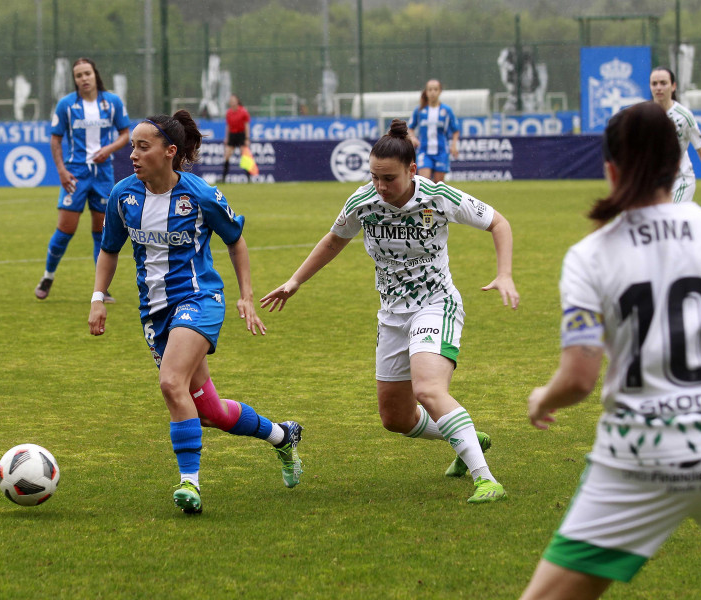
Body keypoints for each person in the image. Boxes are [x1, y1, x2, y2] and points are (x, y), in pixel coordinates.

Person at [520, 102, 701, 600]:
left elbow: (579, 379)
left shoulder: (590, 255)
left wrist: (542, 399)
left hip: (637, 455)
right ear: (678, 167)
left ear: (610, 170)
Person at [261, 119, 519, 504]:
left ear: (412, 170)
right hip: (392, 315)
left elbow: (499, 223)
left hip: (436, 304)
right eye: (374, 177)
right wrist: (295, 281)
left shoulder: (438, 196)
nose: (380, 186)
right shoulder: (362, 201)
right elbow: (334, 240)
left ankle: (487, 480)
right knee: (395, 418)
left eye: (389, 178)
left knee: (429, 389)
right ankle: (464, 437)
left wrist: (504, 274)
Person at [88, 110, 303, 515]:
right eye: (132, 146)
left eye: (142, 146)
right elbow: (109, 250)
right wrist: (98, 297)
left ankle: (190, 484)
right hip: (154, 314)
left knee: (171, 384)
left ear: (170, 152)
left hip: (199, 301)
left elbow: (235, 241)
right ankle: (283, 436)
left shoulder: (200, 194)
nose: (132, 154)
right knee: (210, 412)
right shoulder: (123, 196)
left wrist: (246, 295)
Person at [35, 57, 131, 302]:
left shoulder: (112, 102)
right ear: (75, 80)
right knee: (66, 229)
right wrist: (61, 171)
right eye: (78, 75)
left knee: (101, 231)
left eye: (87, 73)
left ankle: (101, 289)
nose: (84, 78)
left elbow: (125, 134)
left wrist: (108, 149)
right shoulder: (66, 105)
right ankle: (48, 275)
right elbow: (55, 140)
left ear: (94, 74)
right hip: (75, 174)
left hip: (103, 176)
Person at [649, 66, 701, 210]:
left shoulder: (684, 116)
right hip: (654, 183)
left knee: (669, 219)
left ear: (673, 86)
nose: (658, 88)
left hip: (680, 181)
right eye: (654, 84)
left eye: (663, 83)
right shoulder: (644, 115)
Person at [407, 79, 460, 183]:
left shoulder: (446, 110)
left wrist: (454, 145)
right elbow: (410, 127)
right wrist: (412, 137)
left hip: (441, 152)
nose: (432, 92)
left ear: (440, 91)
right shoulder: (420, 110)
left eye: (435, 89)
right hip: (424, 151)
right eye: (430, 89)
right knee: (424, 182)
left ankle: (437, 200)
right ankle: (425, 200)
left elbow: (456, 130)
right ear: (426, 92)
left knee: (438, 185)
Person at [221, 94, 251, 183]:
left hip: (241, 135)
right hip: (232, 135)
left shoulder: (243, 111)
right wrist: (226, 138)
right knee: (227, 155)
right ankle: (223, 178)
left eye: (234, 100)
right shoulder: (229, 113)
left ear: (237, 101)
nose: (232, 102)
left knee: (244, 155)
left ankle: (248, 178)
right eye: (231, 100)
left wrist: (247, 138)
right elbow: (228, 126)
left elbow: (246, 125)